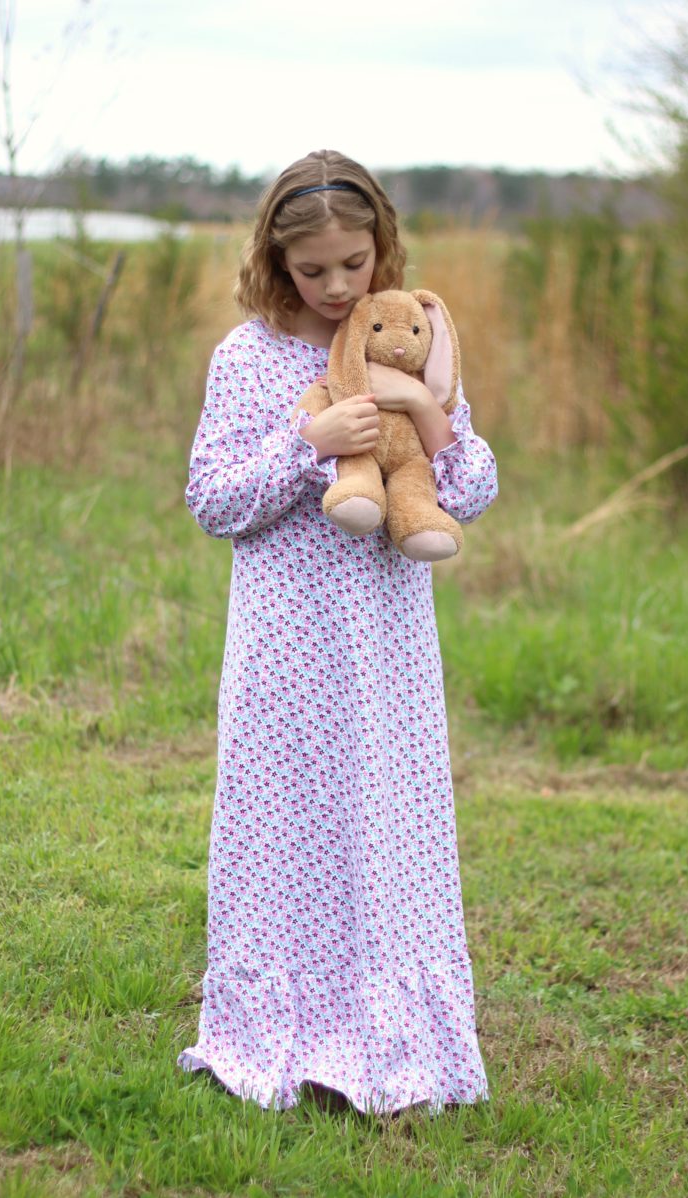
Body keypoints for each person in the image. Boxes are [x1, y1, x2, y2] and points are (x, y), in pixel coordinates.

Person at [177, 149, 498, 1117]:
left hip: (388, 642)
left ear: (382, 248)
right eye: (313, 270)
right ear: (278, 261)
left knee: (387, 831)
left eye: (354, 264)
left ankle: (391, 1031)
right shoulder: (249, 357)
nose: (335, 287)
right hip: (286, 646)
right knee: (285, 831)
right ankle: (278, 1025)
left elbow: (472, 491)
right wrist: (304, 447)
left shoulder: (412, 345)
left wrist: (422, 412)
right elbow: (212, 501)